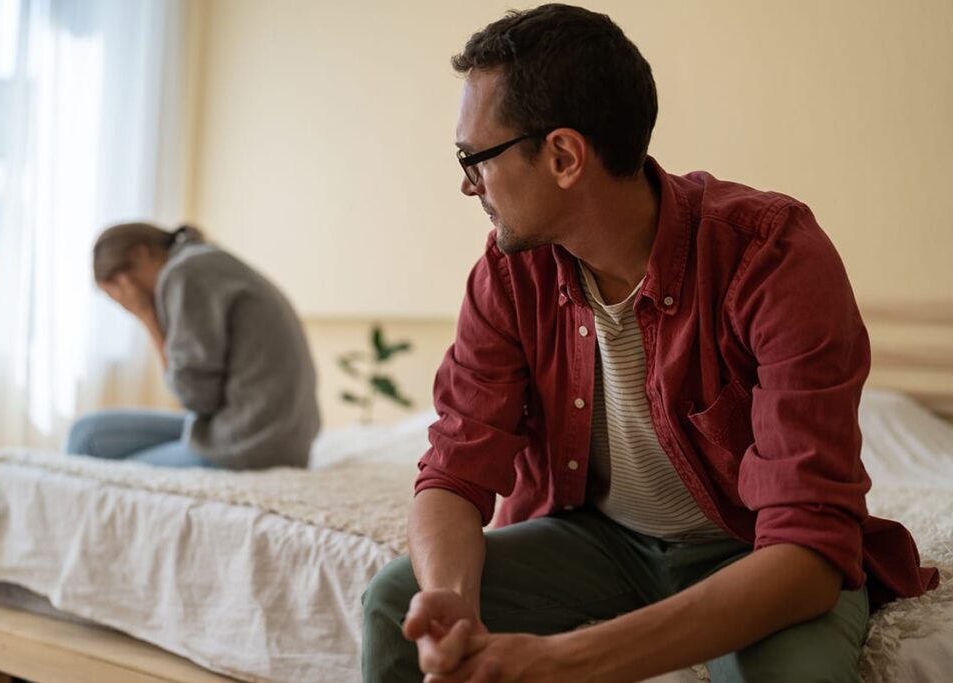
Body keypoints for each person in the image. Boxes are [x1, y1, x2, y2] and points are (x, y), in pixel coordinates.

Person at [361, 5, 938, 682]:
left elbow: (808, 554)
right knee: (393, 600)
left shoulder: (772, 256)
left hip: (754, 550)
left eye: (474, 157)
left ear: (564, 156)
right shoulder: (510, 272)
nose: (468, 183)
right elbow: (455, 469)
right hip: (599, 540)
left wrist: (564, 659)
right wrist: (452, 602)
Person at [65, 222, 320, 470]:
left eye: (120, 289)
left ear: (140, 254)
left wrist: (146, 315)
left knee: (94, 458)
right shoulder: (202, 260)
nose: (123, 304)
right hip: (271, 433)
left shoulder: (185, 274)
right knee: (86, 433)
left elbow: (196, 397)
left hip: (250, 444)